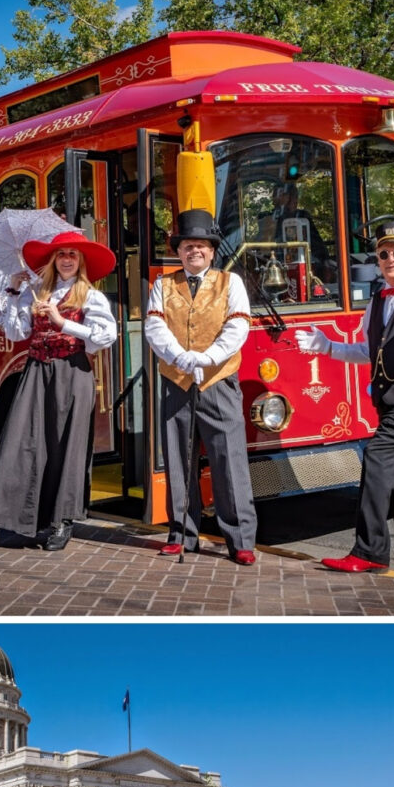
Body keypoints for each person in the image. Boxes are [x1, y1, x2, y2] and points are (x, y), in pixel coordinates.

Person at [295, 221, 394, 578]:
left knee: (379, 457)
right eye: (384, 254)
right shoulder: (378, 301)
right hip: (393, 400)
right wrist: (328, 347)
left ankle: (370, 552)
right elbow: (367, 351)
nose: (390, 259)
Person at [0, 231, 117, 552]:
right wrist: (13, 290)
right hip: (36, 370)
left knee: (67, 446)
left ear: (80, 262)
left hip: (73, 372)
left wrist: (61, 322)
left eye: (73, 255)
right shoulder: (36, 292)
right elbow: (16, 331)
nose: (67, 259)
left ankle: (61, 522)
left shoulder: (91, 296)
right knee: (16, 443)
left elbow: (106, 336)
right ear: (53, 261)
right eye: (61, 254)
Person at [144, 209, 258, 565]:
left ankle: (240, 540)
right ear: (179, 252)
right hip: (176, 381)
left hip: (218, 379)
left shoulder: (230, 282)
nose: (195, 251)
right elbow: (154, 327)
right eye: (188, 246)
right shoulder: (162, 285)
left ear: (212, 251)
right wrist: (181, 357)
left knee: (229, 458)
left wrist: (207, 358)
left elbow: (238, 325)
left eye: (202, 246)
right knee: (178, 459)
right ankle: (181, 534)